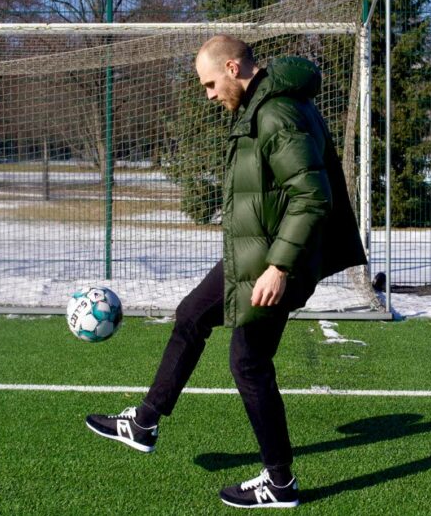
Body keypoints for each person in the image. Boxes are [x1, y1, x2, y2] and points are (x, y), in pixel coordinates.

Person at [84, 34, 367, 509]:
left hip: (277, 262)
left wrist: (278, 267)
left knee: (249, 363)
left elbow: (312, 196)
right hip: (254, 255)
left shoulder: (277, 114)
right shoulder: (261, 107)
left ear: (233, 68)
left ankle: (279, 482)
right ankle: (146, 421)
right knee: (192, 314)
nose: (210, 95)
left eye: (211, 84)